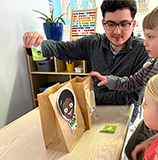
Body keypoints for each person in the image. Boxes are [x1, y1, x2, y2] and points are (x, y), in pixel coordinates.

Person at [90, 3, 158, 160]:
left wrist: (155, 140)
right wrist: (109, 80)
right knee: (129, 151)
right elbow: (132, 82)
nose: (145, 42)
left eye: (150, 37)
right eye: (145, 36)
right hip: (147, 125)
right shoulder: (151, 64)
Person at [22, 0, 150, 123]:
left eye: (124, 24)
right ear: (103, 23)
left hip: (124, 113)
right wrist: (35, 45)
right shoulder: (93, 43)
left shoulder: (143, 50)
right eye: (111, 24)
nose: (117, 31)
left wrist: (92, 97)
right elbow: (61, 49)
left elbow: (133, 96)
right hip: (93, 109)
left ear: (133, 25)